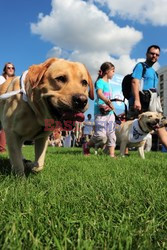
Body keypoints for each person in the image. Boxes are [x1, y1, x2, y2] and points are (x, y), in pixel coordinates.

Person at [128, 45, 167, 149]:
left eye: (157, 55)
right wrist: (136, 100)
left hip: (153, 101)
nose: (154, 56)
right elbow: (135, 82)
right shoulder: (141, 66)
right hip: (142, 100)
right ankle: (123, 150)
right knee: (131, 124)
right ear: (146, 54)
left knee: (160, 124)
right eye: (152, 53)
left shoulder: (155, 73)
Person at [82, 62, 116, 158]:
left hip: (110, 113)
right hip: (100, 113)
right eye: (113, 71)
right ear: (107, 71)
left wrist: (111, 106)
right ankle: (86, 145)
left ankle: (112, 155)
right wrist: (107, 101)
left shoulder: (109, 84)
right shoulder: (100, 82)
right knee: (100, 136)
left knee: (112, 134)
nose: (113, 73)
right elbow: (99, 93)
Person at [0, 62, 15, 153]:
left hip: (9, 105)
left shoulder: (15, 80)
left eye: (12, 68)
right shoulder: (1, 78)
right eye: (8, 68)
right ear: (5, 69)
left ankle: (2, 149)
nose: (10, 69)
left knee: (5, 127)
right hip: (1, 104)